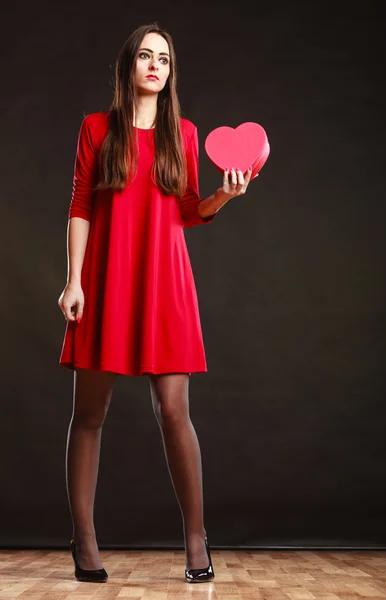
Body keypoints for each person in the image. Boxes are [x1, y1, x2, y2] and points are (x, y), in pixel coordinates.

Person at [57, 22, 256, 584]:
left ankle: (196, 539)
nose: (154, 66)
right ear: (128, 67)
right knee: (89, 416)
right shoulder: (97, 128)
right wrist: (74, 280)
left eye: (163, 60)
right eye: (145, 56)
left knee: (175, 413)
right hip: (105, 278)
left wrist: (225, 194)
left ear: (170, 74)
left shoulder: (184, 134)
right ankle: (85, 540)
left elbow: (188, 210)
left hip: (166, 282)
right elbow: (80, 204)